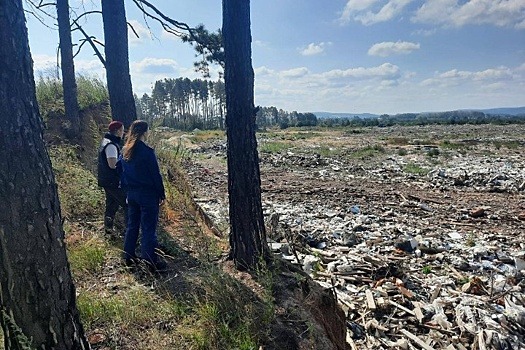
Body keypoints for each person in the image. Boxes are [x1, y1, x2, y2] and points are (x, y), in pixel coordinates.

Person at [117, 120, 167, 271]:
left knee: (132, 225)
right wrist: (161, 194)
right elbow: (155, 176)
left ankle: (128, 257)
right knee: (148, 228)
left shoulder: (125, 150)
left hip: (132, 194)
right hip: (147, 194)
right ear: (145, 132)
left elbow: (121, 172)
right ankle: (150, 262)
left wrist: (126, 191)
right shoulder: (146, 151)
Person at [97, 120, 127, 235]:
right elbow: (112, 164)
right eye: (122, 130)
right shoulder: (111, 145)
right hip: (112, 181)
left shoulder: (105, 141)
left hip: (107, 180)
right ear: (118, 131)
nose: (123, 133)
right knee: (127, 204)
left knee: (111, 205)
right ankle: (128, 231)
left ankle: (108, 231)